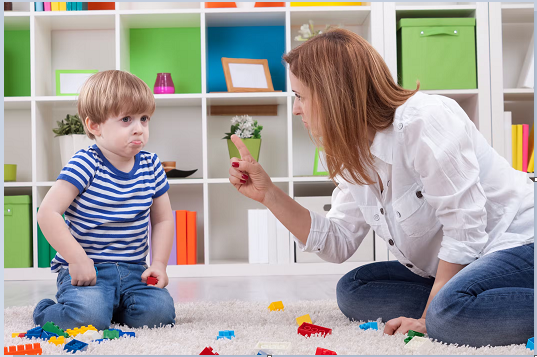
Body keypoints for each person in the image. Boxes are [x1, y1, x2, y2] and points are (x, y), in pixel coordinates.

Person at [227, 28, 534, 347]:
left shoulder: (424, 121)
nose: (296, 109)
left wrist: (427, 319)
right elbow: (338, 242)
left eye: (300, 96)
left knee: (444, 316)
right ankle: (461, 303)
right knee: (354, 289)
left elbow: (465, 231)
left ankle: (451, 308)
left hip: (517, 242)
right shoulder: (353, 151)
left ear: (333, 94)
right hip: (464, 263)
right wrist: (269, 195)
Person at [33, 70, 176, 330]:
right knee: (87, 317)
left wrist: (159, 264)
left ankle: (110, 307)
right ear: (94, 126)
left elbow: (164, 219)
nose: (139, 128)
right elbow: (48, 212)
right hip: (88, 271)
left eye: (144, 119)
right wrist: (77, 259)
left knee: (160, 313)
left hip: (134, 271)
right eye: (126, 119)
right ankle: (47, 311)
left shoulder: (151, 165)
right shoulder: (85, 163)